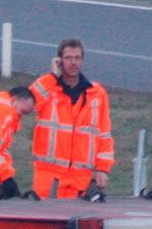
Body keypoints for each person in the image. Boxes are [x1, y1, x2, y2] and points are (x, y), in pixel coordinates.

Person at [28, 38, 115, 199]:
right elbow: (29, 101)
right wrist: (52, 76)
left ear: (82, 61)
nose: (73, 62)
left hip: (81, 179)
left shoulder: (97, 93)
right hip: (49, 178)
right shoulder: (48, 89)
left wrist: (103, 169)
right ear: (59, 60)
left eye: (77, 58)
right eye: (68, 58)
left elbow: (104, 135)